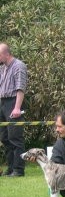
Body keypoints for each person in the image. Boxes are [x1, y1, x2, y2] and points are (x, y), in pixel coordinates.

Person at [0, 43, 27, 177]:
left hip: (14, 102)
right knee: (4, 137)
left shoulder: (18, 66)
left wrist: (17, 108)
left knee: (15, 137)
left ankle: (18, 169)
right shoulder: (2, 68)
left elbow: (20, 88)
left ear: (7, 53)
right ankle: (10, 168)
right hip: (3, 102)